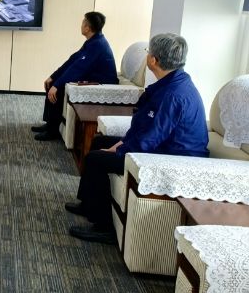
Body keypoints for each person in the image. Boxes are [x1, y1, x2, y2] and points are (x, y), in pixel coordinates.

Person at [67, 33, 209, 244]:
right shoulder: (173, 82)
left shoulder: (173, 95)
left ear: (154, 60)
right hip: (163, 146)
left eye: (148, 52)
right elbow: (146, 127)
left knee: (97, 159)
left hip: (172, 157)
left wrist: (120, 149)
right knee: (99, 142)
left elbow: (151, 138)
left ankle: (104, 227)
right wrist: (121, 143)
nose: (147, 55)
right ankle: (88, 204)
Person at [33, 11, 119, 141]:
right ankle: (49, 123)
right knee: (52, 83)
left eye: (83, 22)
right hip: (90, 76)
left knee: (58, 89)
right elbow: (73, 61)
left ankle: (53, 131)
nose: (81, 25)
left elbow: (79, 68)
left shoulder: (98, 45)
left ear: (87, 28)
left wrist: (57, 85)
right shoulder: (93, 41)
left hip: (102, 83)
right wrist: (53, 77)